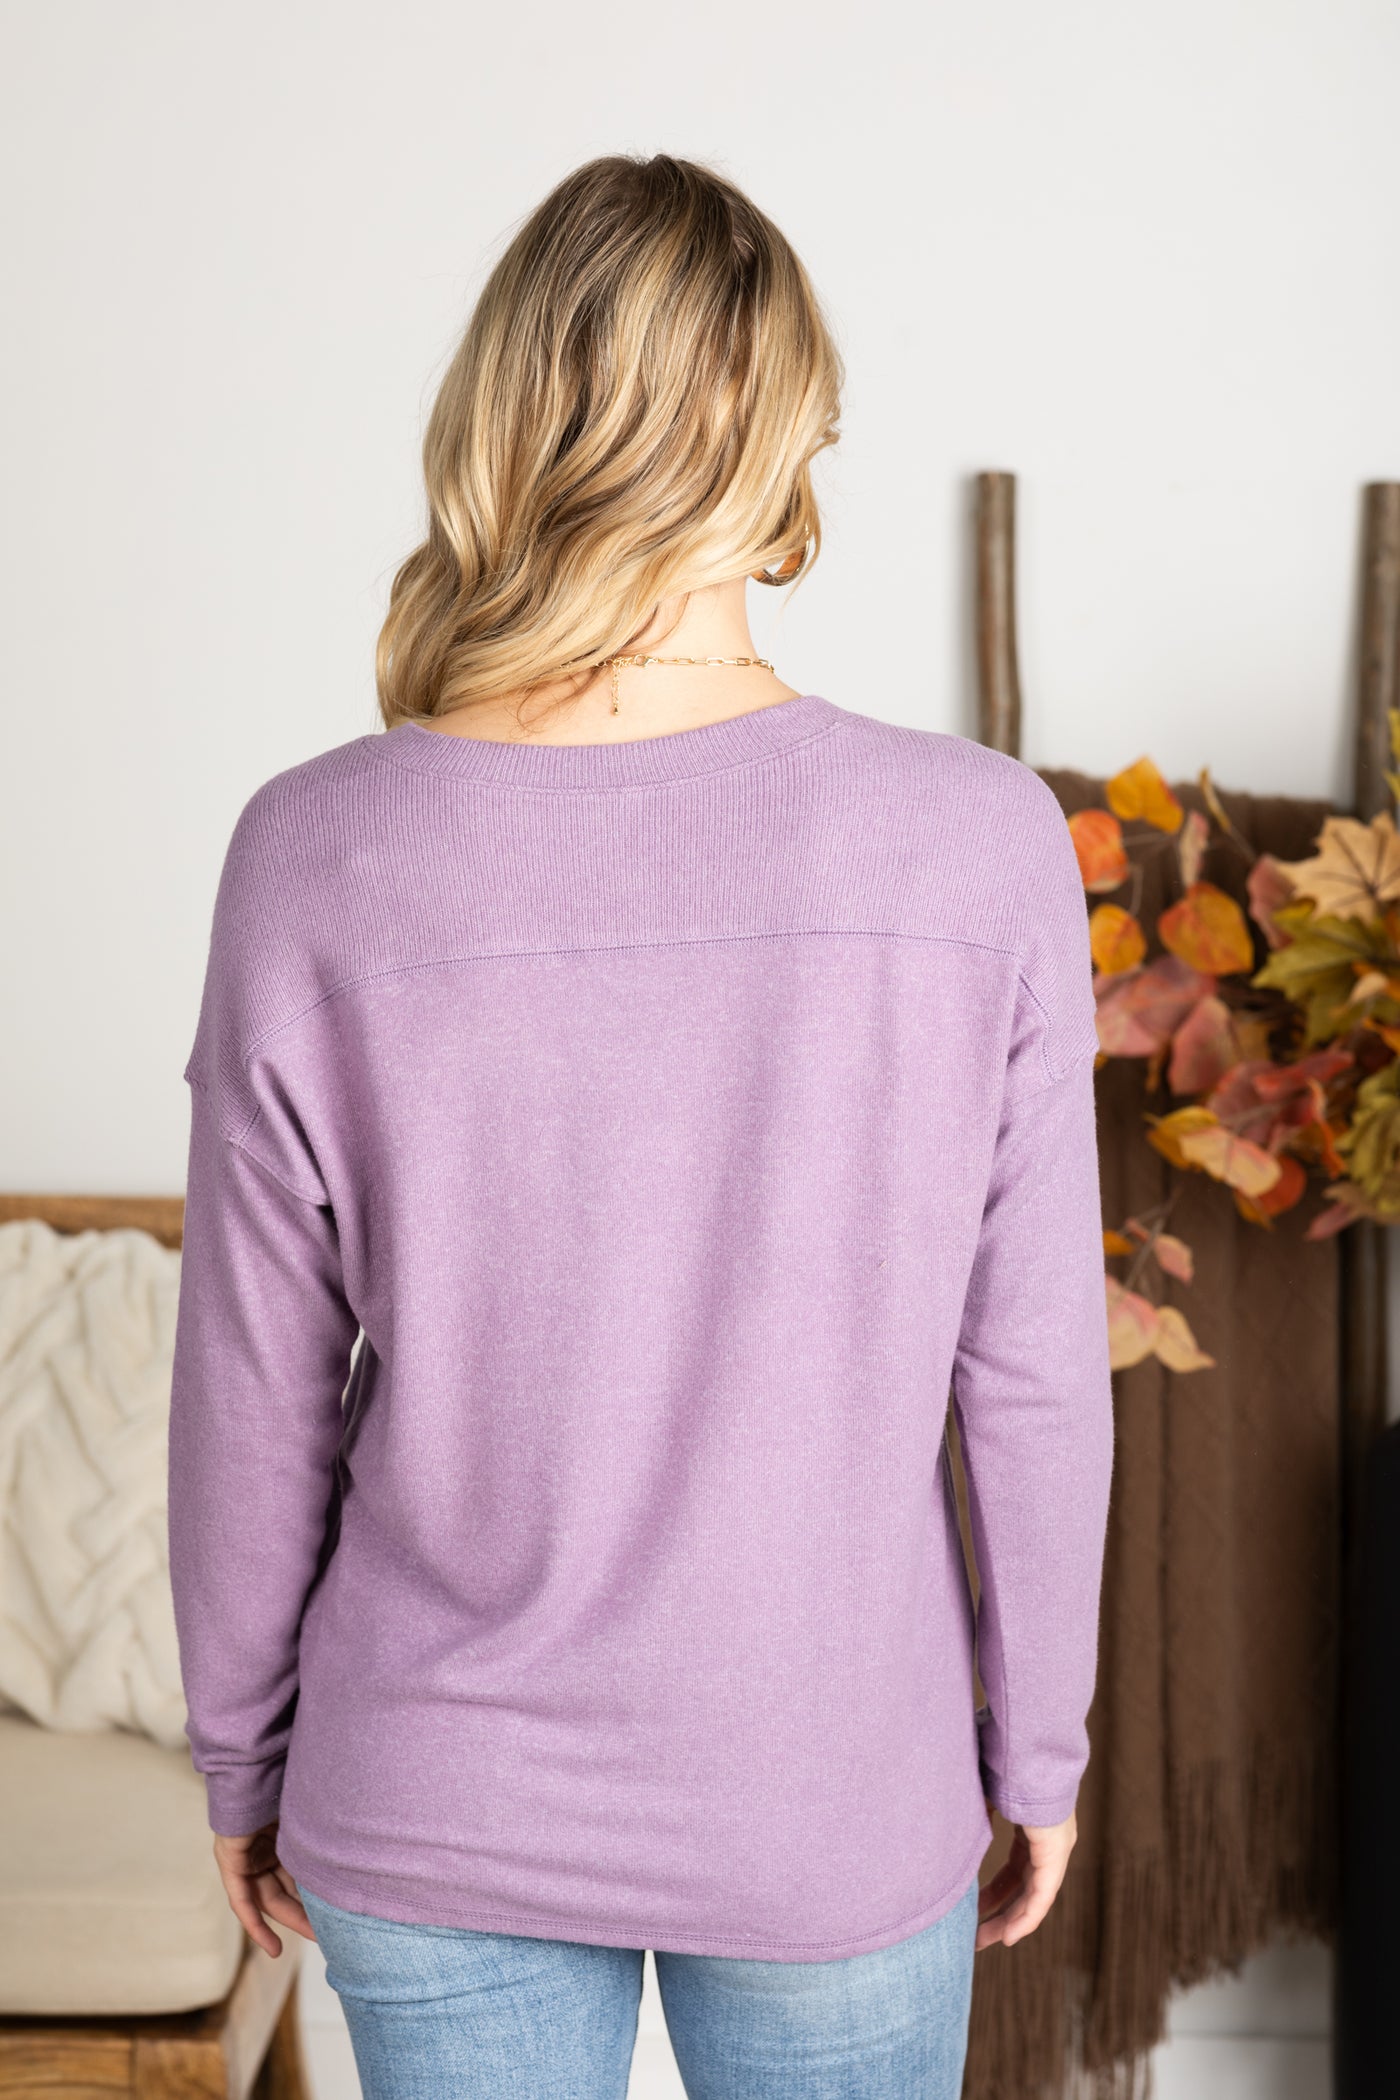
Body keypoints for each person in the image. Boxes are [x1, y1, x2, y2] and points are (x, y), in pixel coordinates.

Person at [167, 152, 1114, 2100]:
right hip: (830, 1795)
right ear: (788, 445)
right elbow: (1029, 1371)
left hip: (432, 1786)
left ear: (504, 422)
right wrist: (1038, 1752)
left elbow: (250, 1388)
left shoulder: (314, 851)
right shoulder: (976, 843)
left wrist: (240, 1759)